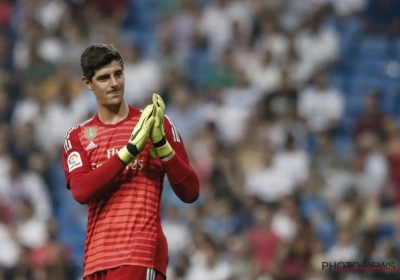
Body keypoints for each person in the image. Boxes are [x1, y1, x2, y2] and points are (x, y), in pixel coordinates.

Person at [61, 44, 200, 280]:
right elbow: (82, 191)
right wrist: (130, 151)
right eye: (104, 78)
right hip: (96, 260)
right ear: (87, 83)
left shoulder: (156, 124)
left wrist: (162, 146)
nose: (114, 83)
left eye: (118, 74)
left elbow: (191, 192)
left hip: (139, 254)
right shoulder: (78, 136)